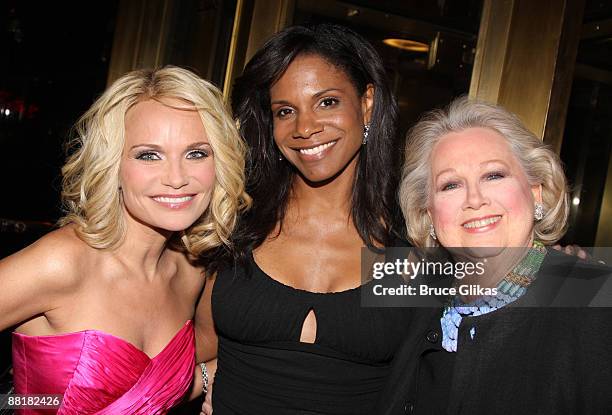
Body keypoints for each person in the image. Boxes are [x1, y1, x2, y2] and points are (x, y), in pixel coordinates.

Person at [0, 66, 249, 414]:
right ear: (112, 165)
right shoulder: (62, 262)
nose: (177, 178)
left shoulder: (189, 270)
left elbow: (154, 387)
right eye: (149, 155)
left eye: (196, 153)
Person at [195, 23, 414, 414]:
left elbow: (519, 304)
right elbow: (193, 348)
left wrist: (547, 253)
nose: (305, 128)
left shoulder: (409, 240)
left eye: (327, 102)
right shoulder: (235, 227)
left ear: (366, 103)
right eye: (285, 111)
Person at [377, 97, 612, 414]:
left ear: (535, 191)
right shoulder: (420, 298)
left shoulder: (596, 302)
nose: (474, 199)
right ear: (428, 213)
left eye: (494, 175)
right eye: (450, 185)